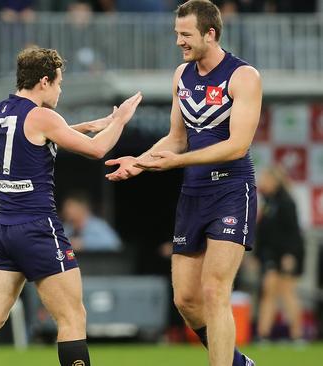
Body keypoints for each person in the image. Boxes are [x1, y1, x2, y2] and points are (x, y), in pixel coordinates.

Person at [0, 46, 142, 366]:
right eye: (58, 83)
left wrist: (88, 125)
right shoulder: (42, 115)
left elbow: (37, 137)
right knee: (72, 317)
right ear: (44, 81)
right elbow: (97, 150)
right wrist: (120, 120)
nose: (59, 90)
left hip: (3, 228)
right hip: (37, 227)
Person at [105, 1, 261, 365]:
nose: (179, 41)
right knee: (186, 300)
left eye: (186, 34)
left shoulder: (244, 76)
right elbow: (177, 139)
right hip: (193, 192)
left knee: (214, 290)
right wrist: (140, 162)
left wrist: (179, 162)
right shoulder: (181, 75)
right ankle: (239, 363)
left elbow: (237, 145)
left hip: (231, 190)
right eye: (177, 33)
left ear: (210, 33)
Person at [255, 166, 305, 343]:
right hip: (270, 254)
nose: (261, 183)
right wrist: (256, 256)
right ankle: (263, 334)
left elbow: (293, 232)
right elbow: (262, 232)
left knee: (286, 292)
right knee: (269, 291)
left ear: (274, 181)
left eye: (265, 179)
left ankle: (297, 333)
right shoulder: (267, 202)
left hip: (287, 255)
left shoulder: (286, 202)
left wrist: (289, 255)